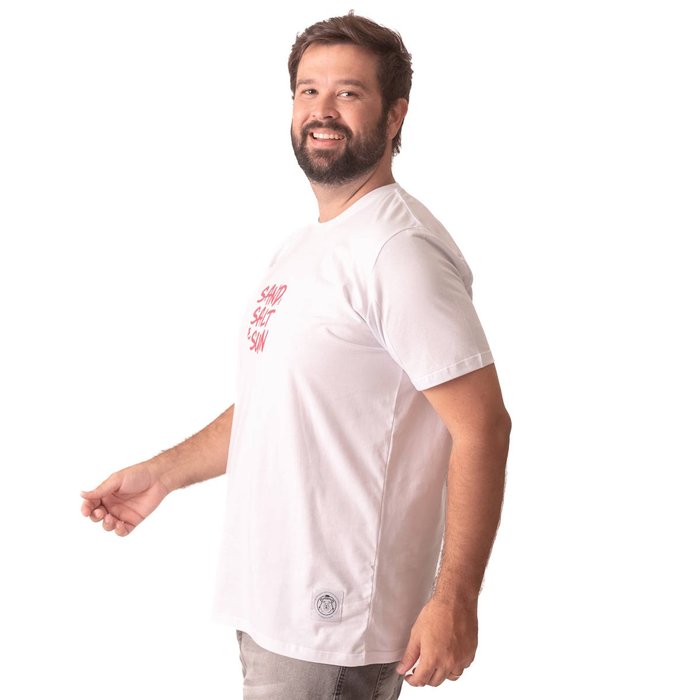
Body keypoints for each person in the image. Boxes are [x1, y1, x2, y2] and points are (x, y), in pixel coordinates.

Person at [80, 12, 511, 698]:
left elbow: (482, 425)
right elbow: (277, 402)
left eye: (348, 93)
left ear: (395, 115)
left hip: (332, 623)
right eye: (308, 91)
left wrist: (455, 598)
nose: (322, 111)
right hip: (272, 609)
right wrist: (163, 473)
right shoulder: (306, 245)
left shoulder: (398, 252)